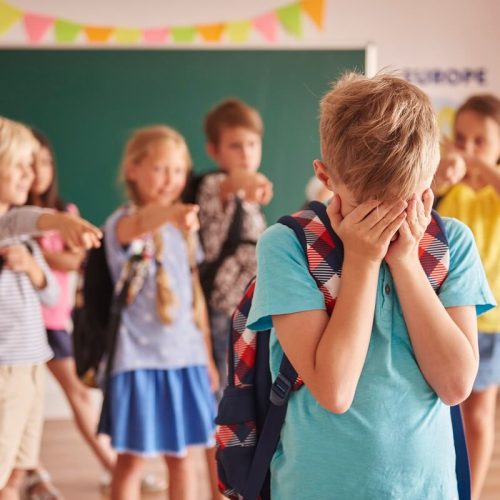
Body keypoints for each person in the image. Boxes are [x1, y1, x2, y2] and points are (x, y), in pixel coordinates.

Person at [245, 73, 495, 499]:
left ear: (431, 176)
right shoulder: (285, 246)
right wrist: (361, 261)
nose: (389, 223)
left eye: (405, 201)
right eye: (368, 207)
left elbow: (455, 386)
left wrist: (405, 262)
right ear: (325, 177)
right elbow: (335, 390)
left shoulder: (452, 243)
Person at [98, 125, 219, 500]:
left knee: (182, 458)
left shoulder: (181, 228)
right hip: (138, 362)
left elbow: (193, 295)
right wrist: (171, 215)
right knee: (131, 462)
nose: (171, 179)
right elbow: (141, 225)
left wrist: (207, 357)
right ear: (133, 169)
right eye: (160, 169)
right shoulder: (124, 223)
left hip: (185, 360)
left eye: (178, 170)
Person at [22, 130, 116, 500]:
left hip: (57, 319)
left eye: (44, 161)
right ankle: (36, 473)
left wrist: (35, 258)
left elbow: (75, 258)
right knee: (33, 399)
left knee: (73, 394)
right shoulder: (11, 216)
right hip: (24, 323)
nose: (37, 170)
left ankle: (108, 467)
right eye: (29, 163)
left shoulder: (64, 213)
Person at [434, 94, 500, 500]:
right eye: (462, 139)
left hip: (491, 322)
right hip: (446, 318)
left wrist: (481, 168)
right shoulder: (449, 185)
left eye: (482, 141)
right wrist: (444, 176)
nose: (469, 148)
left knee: (479, 416)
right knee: (447, 414)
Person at [0, 118, 60, 500]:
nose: (31, 174)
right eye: (21, 164)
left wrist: (33, 268)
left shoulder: (22, 231)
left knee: (18, 469)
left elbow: (53, 296)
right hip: (6, 368)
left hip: (32, 363)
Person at [196, 98, 273, 394]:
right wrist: (249, 179)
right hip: (225, 309)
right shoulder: (214, 186)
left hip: (252, 307)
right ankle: (222, 442)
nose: (246, 154)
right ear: (214, 151)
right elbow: (231, 182)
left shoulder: (250, 199)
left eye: (252, 144)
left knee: (250, 388)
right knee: (230, 392)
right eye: (235, 146)